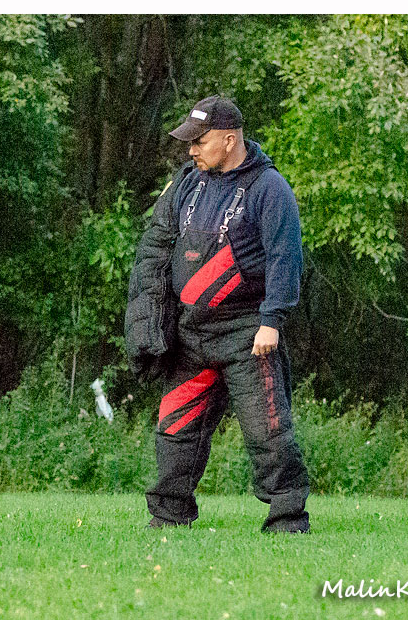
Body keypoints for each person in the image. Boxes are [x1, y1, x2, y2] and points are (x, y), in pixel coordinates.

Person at [124, 95, 310, 533]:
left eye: (199, 142)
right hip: (190, 334)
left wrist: (272, 321)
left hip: (248, 333)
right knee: (175, 430)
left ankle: (287, 520)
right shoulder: (187, 183)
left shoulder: (270, 188)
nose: (191, 150)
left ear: (229, 140)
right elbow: (155, 248)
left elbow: (285, 258)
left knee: (268, 433)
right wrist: (149, 322)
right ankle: (168, 517)